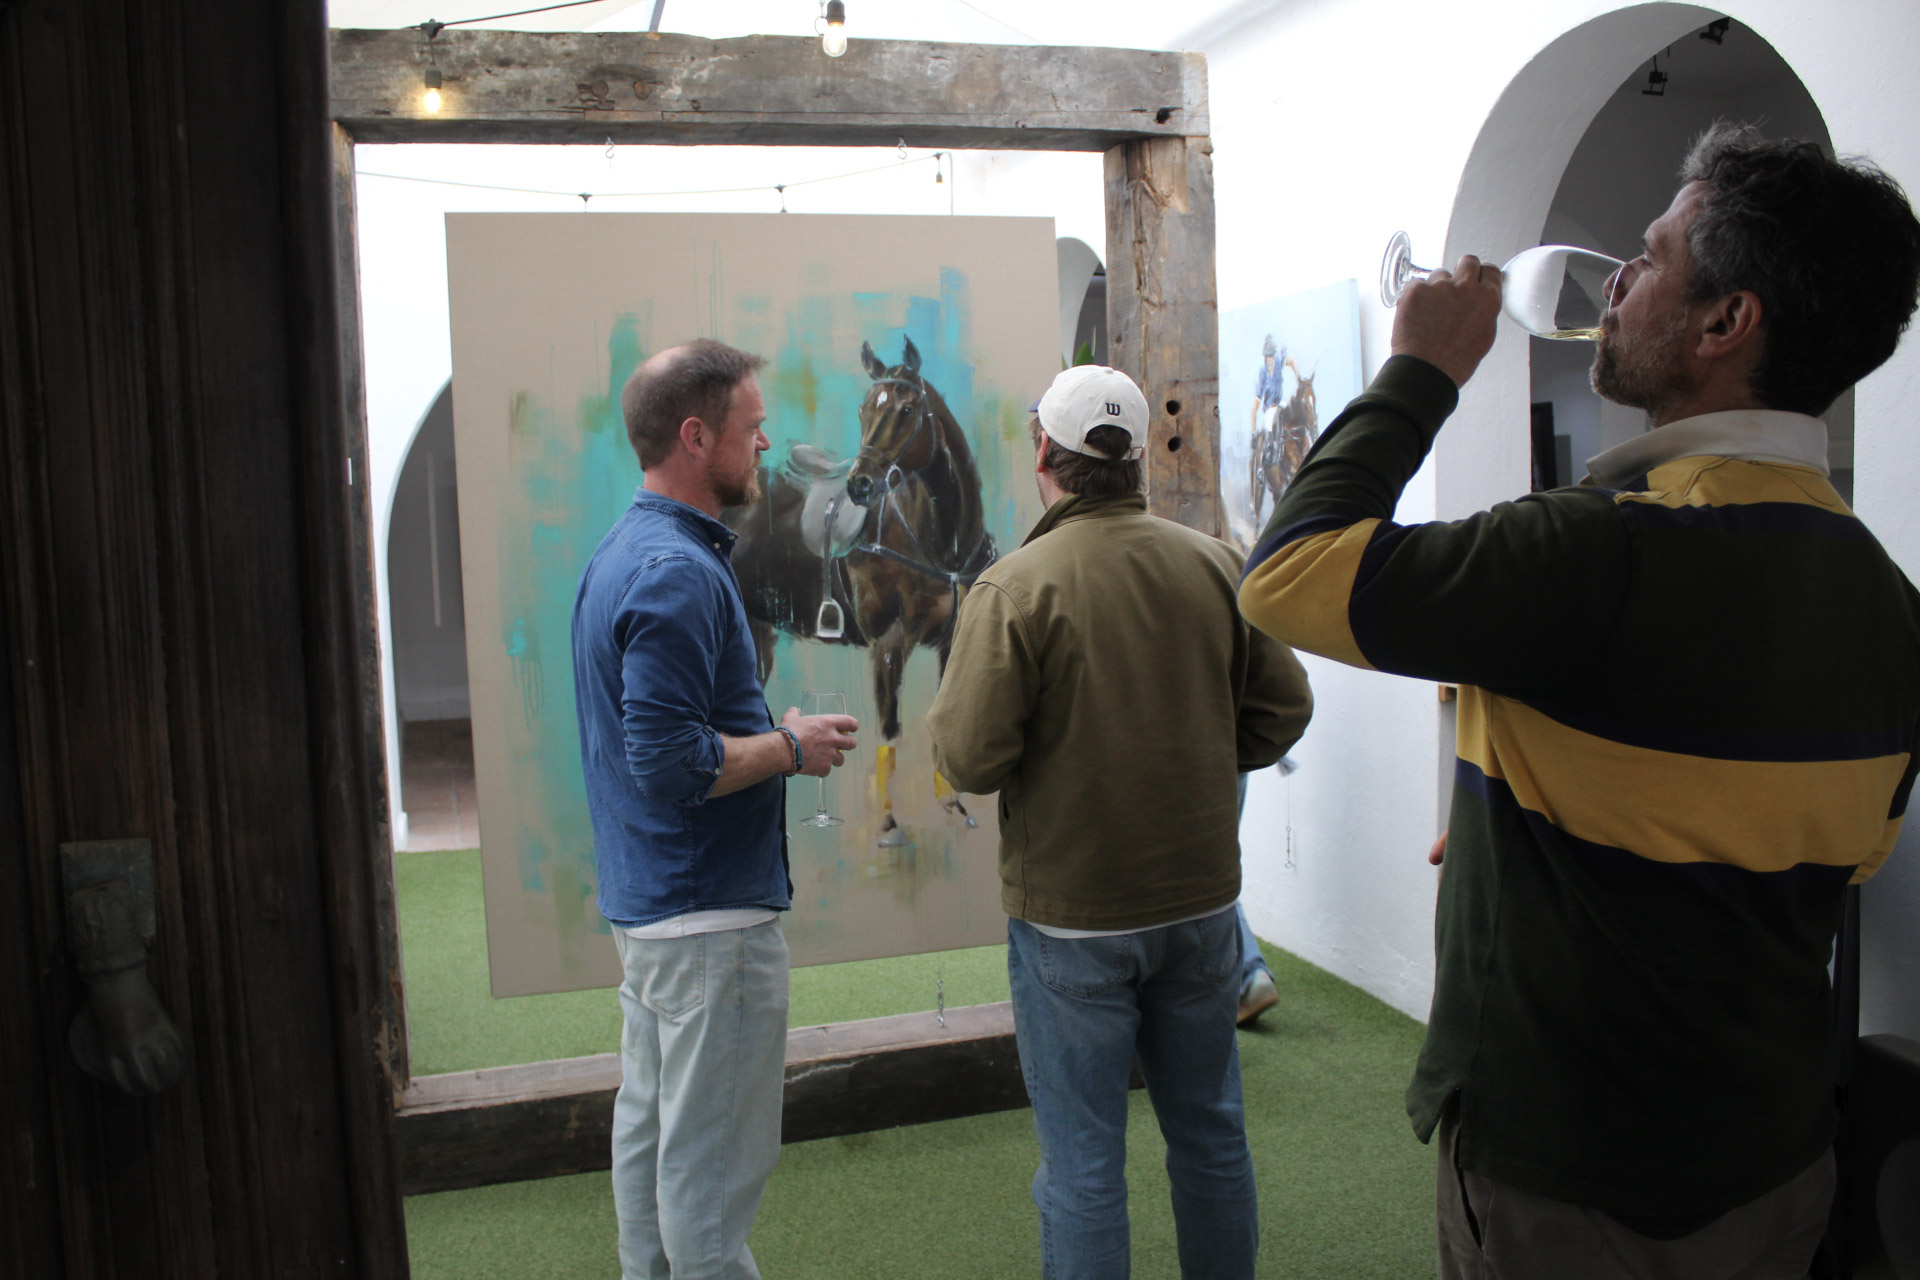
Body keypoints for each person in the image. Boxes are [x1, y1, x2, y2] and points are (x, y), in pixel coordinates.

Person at [1239, 125, 1920, 1278]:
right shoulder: (1892, 606)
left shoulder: (1597, 551)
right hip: (1776, 1164)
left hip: (1569, 1180)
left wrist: (1420, 370)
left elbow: (1286, 574)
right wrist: (1521, 826)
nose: (1616, 282)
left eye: (1648, 258)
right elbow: (1816, 851)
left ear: (1725, 322)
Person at [928, 364, 1314, 1280]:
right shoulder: (1215, 564)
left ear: (1044, 456)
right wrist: (1196, 757)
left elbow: (969, 759)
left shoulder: (1014, 588)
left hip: (1073, 920)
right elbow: (1283, 710)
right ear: (1139, 455)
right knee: (1212, 1137)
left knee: (1084, 1166)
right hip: (1202, 909)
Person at [571, 338, 860, 1280]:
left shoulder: (627, 552)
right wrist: (791, 748)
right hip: (708, 927)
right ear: (696, 438)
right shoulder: (677, 572)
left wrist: (771, 739)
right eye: (751, 426)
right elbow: (666, 763)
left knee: (655, 1138)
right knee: (708, 1184)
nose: (766, 443)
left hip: (661, 911)